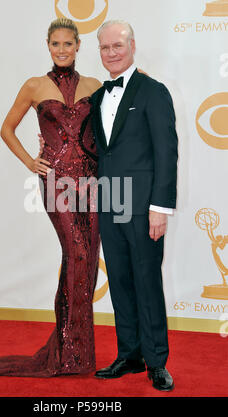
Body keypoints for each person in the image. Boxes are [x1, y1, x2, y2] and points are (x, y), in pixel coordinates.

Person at [0, 18, 102, 377]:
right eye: (56, 44)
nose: (62, 50)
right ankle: (67, 350)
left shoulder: (96, 86)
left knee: (88, 262)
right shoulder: (34, 85)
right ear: (48, 46)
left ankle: (76, 351)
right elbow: (5, 128)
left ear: (78, 46)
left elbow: (105, 135)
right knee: (76, 253)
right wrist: (31, 161)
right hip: (56, 181)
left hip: (92, 184)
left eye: (68, 44)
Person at [91, 20, 178, 391]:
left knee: (146, 279)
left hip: (143, 206)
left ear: (132, 46)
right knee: (121, 281)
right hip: (110, 202)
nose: (111, 53)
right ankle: (129, 354)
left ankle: (157, 361)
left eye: (117, 46)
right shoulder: (96, 98)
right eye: (105, 47)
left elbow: (167, 152)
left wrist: (161, 206)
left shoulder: (153, 91)